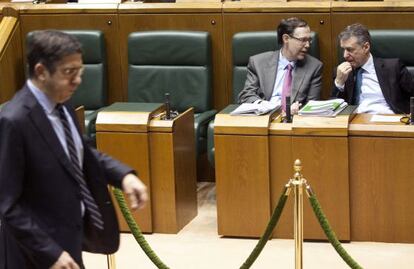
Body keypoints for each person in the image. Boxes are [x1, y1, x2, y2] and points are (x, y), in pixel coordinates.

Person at [0, 30, 148, 269]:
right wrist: (51, 253)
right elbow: (7, 204)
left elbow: (81, 154)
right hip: (33, 253)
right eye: (69, 72)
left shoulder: (62, 102)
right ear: (41, 72)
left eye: (79, 71)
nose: (77, 80)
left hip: (69, 239)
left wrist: (123, 175)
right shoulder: (14, 121)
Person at [238, 17, 323, 115]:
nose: (307, 45)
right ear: (286, 38)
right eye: (303, 40)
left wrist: (295, 111)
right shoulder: (258, 62)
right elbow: (246, 95)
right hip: (262, 118)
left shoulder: (314, 67)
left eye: (309, 40)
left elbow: (312, 105)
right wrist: (265, 106)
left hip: (293, 122)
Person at [332, 23, 414, 114]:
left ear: (366, 47)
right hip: (356, 122)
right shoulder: (342, 72)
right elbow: (332, 109)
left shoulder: (393, 68)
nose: (345, 55)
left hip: (389, 120)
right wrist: (339, 83)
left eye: (350, 50)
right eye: (343, 49)